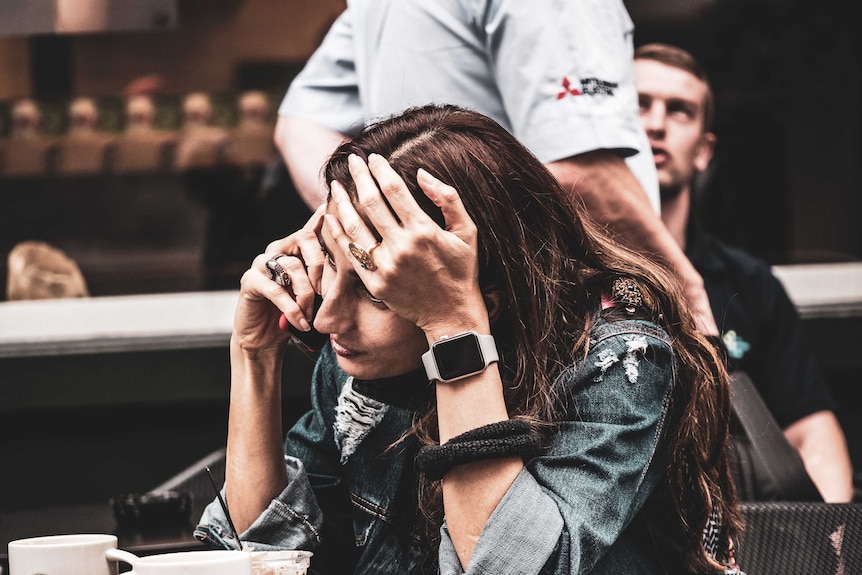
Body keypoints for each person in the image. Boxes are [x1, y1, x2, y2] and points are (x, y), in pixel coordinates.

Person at [197, 104, 744, 574]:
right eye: (331, 272)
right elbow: (267, 557)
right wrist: (254, 358)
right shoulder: (359, 364)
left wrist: (454, 330)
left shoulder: (618, 361)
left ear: (486, 297)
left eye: (379, 292)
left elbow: (506, 566)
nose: (327, 319)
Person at [273, 0, 720, 337]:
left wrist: (394, 234)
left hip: (434, 315)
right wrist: (687, 297)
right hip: (558, 324)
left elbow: (300, 128)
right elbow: (586, 173)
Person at [634, 42, 854, 503]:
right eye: (639, 104)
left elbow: (812, 433)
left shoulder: (750, 284)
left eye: (679, 111)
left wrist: (829, 545)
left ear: (703, 150)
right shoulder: (566, 272)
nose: (655, 123)